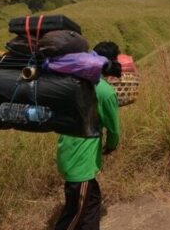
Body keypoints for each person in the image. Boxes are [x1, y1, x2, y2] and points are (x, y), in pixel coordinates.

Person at [54, 42, 121, 230]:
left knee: (91, 201)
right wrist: (111, 145)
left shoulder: (75, 81)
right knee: (75, 214)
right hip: (81, 160)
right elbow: (114, 129)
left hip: (67, 150)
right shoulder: (105, 91)